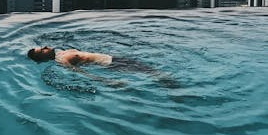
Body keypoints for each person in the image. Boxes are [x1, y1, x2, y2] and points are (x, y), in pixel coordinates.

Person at [27, 45, 178, 87]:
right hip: (109, 64)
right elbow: (80, 73)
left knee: (147, 69)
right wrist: (108, 82)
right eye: (43, 50)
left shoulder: (61, 53)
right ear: (42, 58)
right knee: (147, 71)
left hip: (111, 59)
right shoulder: (62, 61)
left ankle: (169, 84)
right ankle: (172, 87)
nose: (46, 46)